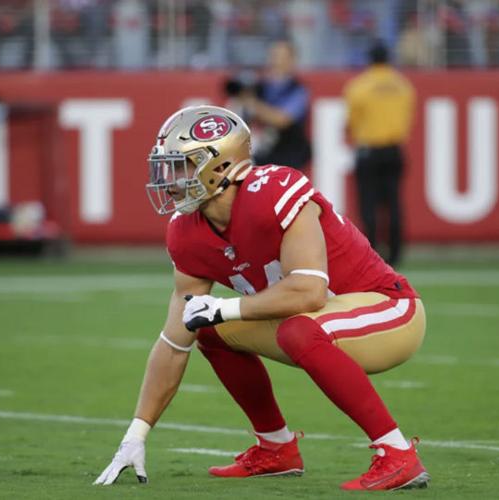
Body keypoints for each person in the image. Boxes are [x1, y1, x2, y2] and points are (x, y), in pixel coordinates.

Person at [94, 105, 429, 490]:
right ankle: (276, 448)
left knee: (294, 329)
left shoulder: (274, 190)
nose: (170, 181)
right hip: (317, 324)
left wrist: (225, 306)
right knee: (207, 330)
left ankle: (396, 452)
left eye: (183, 166)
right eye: (168, 167)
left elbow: (308, 292)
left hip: (388, 310)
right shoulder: (187, 231)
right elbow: (173, 342)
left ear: (221, 167)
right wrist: (137, 433)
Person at [344, 41, 416, 267]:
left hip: (368, 150)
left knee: (368, 204)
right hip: (394, 149)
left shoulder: (359, 86)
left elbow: (351, 122)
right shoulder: (403, 85)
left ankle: (372, 250)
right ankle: (395, 253)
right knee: (393, 203)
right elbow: (407, 116)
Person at [237, 40, 311, 170]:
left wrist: (253, 103)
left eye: (283, 57)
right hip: (263, 157)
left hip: (289, 158)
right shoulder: (260, 87)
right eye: (274, 56)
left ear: (292, 61)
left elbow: (283, 119)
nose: (277, 62)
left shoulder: (298, 90)